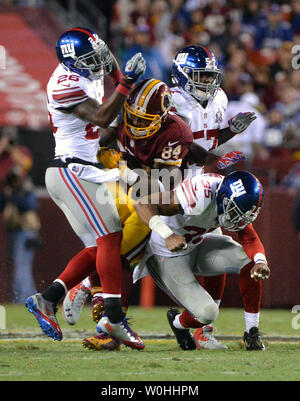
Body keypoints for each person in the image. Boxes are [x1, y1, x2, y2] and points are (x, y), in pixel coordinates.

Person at [61, 78, 246, 350]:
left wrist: (129, 170)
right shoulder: (124, 118)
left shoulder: (175, 132)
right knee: (115, 247)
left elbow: (167, 180)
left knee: (122, 251)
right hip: (121, 186)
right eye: (132, 117)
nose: (136, 125)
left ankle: (89, 287)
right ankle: (93, 299)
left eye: (143, 119)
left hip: (157, 194)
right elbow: (99, 145)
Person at [25, 27, 147, 350]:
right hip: (72, 170)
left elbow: (103, 129)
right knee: (111, 235)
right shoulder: (65, 83)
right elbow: (103, 114)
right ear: (72, 62)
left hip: (84, 168)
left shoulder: (85, 70)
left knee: (100, 246)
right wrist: (125, 82)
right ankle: (113, 317)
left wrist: (116, 71)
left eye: (97, 57)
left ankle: (48, 299)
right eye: (90, 59)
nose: (97, 63)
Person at [170, 44, 265, 350]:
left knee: (218, 247)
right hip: (167, 182)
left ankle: (203, 328)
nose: (208, 83)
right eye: (200, 76)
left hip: (198, 181)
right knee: (136, 248)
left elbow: (207, 141)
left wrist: (228, 134)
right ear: (182, 75)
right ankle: (104, 306)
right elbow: (175, 145)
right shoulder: (170, 99)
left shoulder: (220, 98)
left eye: (210, 76)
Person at [133, 170, 270, 351]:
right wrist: (167, 235)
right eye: (234, 212)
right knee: (208, 313)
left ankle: (252, 331)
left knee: (251, 261)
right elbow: (143, 203)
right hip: (166, 255)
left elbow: (250, 239)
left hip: (195, 246)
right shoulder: (199, 194)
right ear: (223, 197)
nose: (237, 220)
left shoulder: (230, 196)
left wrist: (261, 261)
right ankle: (178, 323)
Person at [0, 168, 41, 303]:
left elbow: (30, 205)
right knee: (21, 266)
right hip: (16, 231)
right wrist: (8, 193)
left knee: (22, 266)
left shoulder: (26, 190)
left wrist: (17, 193)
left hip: (26, 231)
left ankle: (24, 298)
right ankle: (26, 297)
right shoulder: (10, 192)